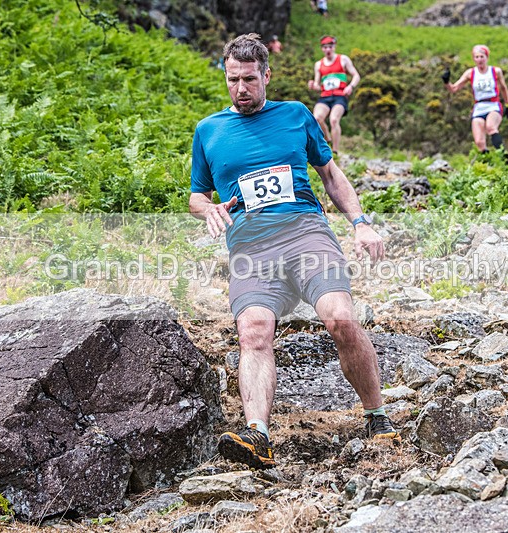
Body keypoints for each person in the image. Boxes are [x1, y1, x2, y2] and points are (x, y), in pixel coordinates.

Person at [190, 33, 399, 470]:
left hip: (305, 232)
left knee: (340, 318)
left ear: (267, 75)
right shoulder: (209, 130)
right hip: (250, 244)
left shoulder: (296, 115)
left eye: (249, 79)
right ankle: (258, 436)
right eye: (233, 80)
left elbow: (330, 174)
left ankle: (377, 416)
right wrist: (207, 208)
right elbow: (196, 196)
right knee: (254, 330)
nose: (241, 88)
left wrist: (360, 223)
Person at [442, 44, 508, 158]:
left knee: (491, 127)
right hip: (479, 107)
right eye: (477, 57)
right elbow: (454, 89)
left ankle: (503, 155)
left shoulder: (495, 71)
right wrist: (446, 81)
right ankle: (488, 164)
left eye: (482, 56)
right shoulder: (470, 73)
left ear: (487, 57)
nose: (479, 60)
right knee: (479, 142)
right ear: (474, 59)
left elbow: (504, 88)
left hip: (493, 104)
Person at [307, 35, 360, 155]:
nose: (328, 50)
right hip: (325, 96)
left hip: (340, 96)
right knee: (316, 118)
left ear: (334, 47)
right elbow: (317, 85)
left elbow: (356, 75)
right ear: (322, 49)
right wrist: (312, 85)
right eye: (325, 47)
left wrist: (350, 86)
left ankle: (335, 151)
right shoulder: (318, 65)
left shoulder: (343, 59)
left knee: (334, 120)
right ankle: (327, 138)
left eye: (330, 47)